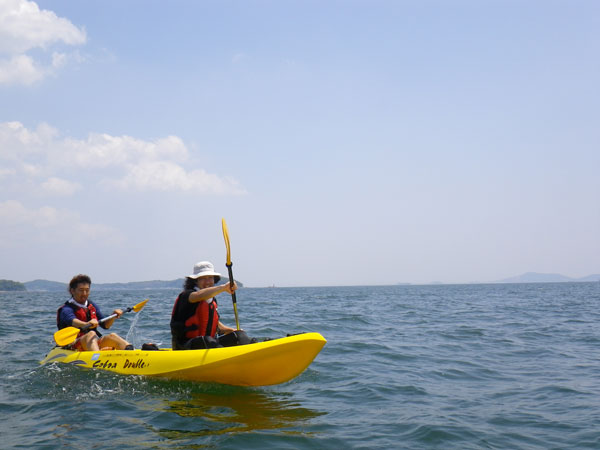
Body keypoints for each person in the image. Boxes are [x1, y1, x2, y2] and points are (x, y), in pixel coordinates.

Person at [170, 261, 252, 350]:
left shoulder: (211, 299)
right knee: (207, 340)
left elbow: (213, 323)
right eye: (203, 278)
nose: (208, 281)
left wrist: (231, 330)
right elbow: (200, 295)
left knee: (239, 335)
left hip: (209, 344)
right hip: (186, 347)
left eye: (210, 278)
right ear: (196, 280)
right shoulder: (187, 296)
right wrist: (224, 287)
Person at [57, 274, 133, 351]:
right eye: (81, 290)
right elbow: (72, 320)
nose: (84, 293)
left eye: (87, 290)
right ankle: (97, 358)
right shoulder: (66, 308)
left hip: (92, 342)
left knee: (112, 336)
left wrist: (113, 315)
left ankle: (132, 353)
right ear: (72, 291)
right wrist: (86, 324)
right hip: (72, 345)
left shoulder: (91, 306)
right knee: (91, 334)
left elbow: (105, 326)